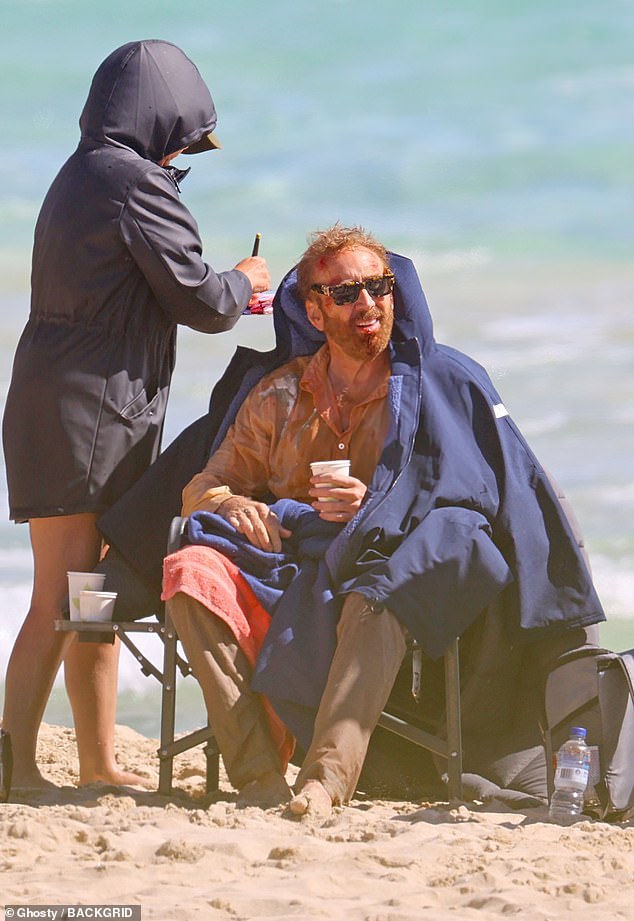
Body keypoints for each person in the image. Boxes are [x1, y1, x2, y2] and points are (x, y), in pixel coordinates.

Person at [156, 224, 605, 817]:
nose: (368, 304)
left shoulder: (431, 384)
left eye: (380, 287)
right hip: (296, 561)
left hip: (396, 560)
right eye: (345, 294)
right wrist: (235, 504)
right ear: (315, 311)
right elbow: (202, 489)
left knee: (378, 591)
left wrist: (374, 502)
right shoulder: (278, 395)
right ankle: (260, 778)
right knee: (190, 570)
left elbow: (470, 493)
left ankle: (325, 783)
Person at [1, 39, 270, 789]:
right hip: (85, 413)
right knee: (63, 589)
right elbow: (201, 300)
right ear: (158, 122)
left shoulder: (81, 173)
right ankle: (13, 766)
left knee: (95, 589)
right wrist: (241, 278)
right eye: (182, 143)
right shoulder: (134, 183)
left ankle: (96, 762)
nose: (180, 160)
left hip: (75, 401)